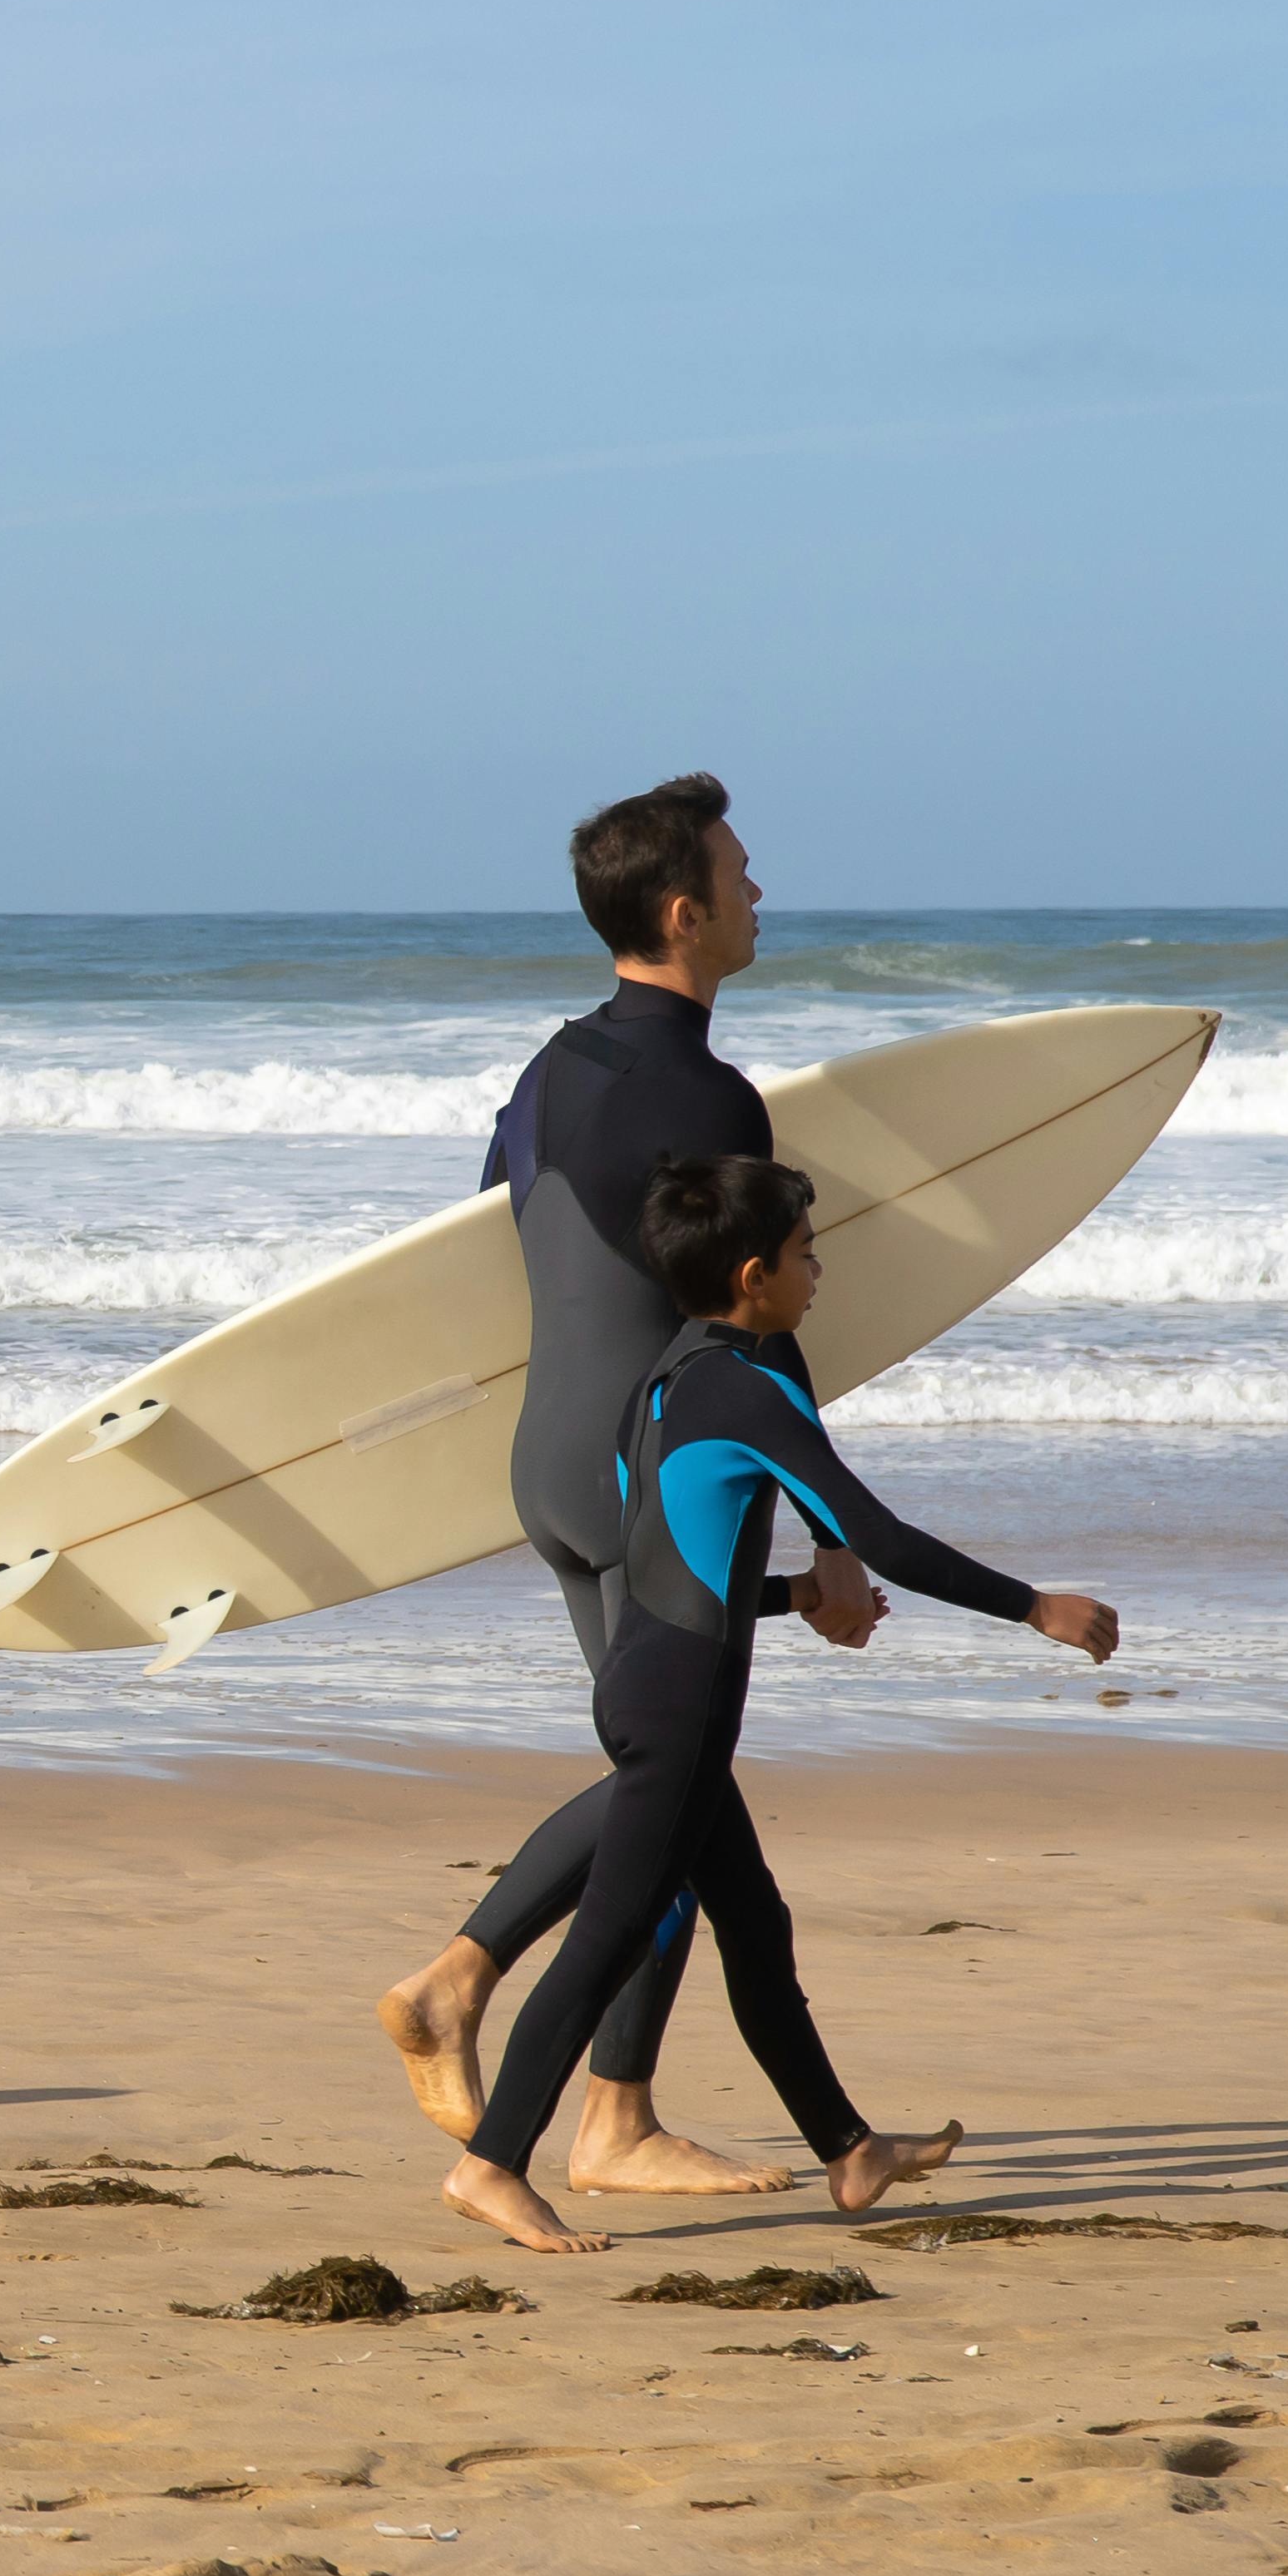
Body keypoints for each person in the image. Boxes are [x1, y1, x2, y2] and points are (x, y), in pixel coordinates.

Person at [441, 1155, 1120, 2254]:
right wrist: (1032, 1606)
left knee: (754, 1925)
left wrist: (798, 1591)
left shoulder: (664, 1382)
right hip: (679, 1718)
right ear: (754, 1274)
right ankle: (490, 2166)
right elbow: (880, 1533)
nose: (820, 1272)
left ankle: (850, 2151)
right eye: (807, 1254)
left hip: (644, 1678)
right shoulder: (748, 1392)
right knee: (606, 1943)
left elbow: (662, 1565)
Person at [375, 773, 889, 2192]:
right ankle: (481, 2002)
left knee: (679, 1785)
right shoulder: (708, 1096)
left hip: (551, 1461)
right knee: (666, 1783)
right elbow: (744, 1326)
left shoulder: (547, 1074)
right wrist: (830, 1536)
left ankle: (620, 2110)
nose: (759, 890)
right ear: (685, 912)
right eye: (739, 870)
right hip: (652, 1477)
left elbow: (491, 1241)